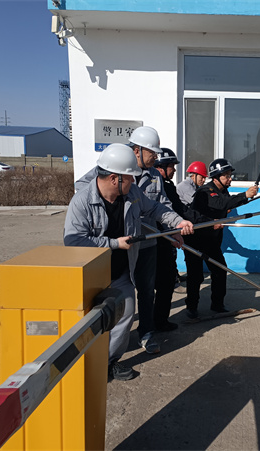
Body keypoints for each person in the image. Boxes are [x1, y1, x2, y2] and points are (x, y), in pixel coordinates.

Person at [63, 144, 193, 380]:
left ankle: (109, 363)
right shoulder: (81, 202)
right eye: (130, 177)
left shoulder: (131, 194)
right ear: (115, 178)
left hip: (122, 272)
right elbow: (73, 241)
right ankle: (84, 363)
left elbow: (155, 209)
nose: (134, 182)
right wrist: (113, 243)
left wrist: (177, 222)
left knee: (124, 314)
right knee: (89, 321)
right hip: (91, 275)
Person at [75, 126, 183, 355]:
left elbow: (159, 205)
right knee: (112, 297)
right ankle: (102, 346)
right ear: (137, 150)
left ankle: (145, 333)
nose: (155, 158)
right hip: (118, 244)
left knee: (145, 291)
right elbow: (85, 189)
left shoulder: (154, 175)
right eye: (152, 153)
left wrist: (174, 227)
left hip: (147, 243)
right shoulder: (113, 166)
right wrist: (121, 208)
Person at [183, 158, 258, 318]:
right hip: (195, 240)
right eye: (226, 176)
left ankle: (217, 304)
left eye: (230, 175)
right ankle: (191, 307)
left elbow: (227, 203)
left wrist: (244, 198)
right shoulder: (206, 191)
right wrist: (245, 194)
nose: (230, 179)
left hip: (211, 241)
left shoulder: (223, 191)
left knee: (220, 270)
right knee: (195, 276)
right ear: (216, 177)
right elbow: (221, 203)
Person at [152, 148, 185, 331]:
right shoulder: (160, 185)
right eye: (171, 166)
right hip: (156, 240)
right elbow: (174, 210)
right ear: (161, 167)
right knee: (161, 283)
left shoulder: (166, 185)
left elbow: (175, 210)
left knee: (164, 282)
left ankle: (158, 321)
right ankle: (155, 322)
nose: (174, 170)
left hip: (166, 237)